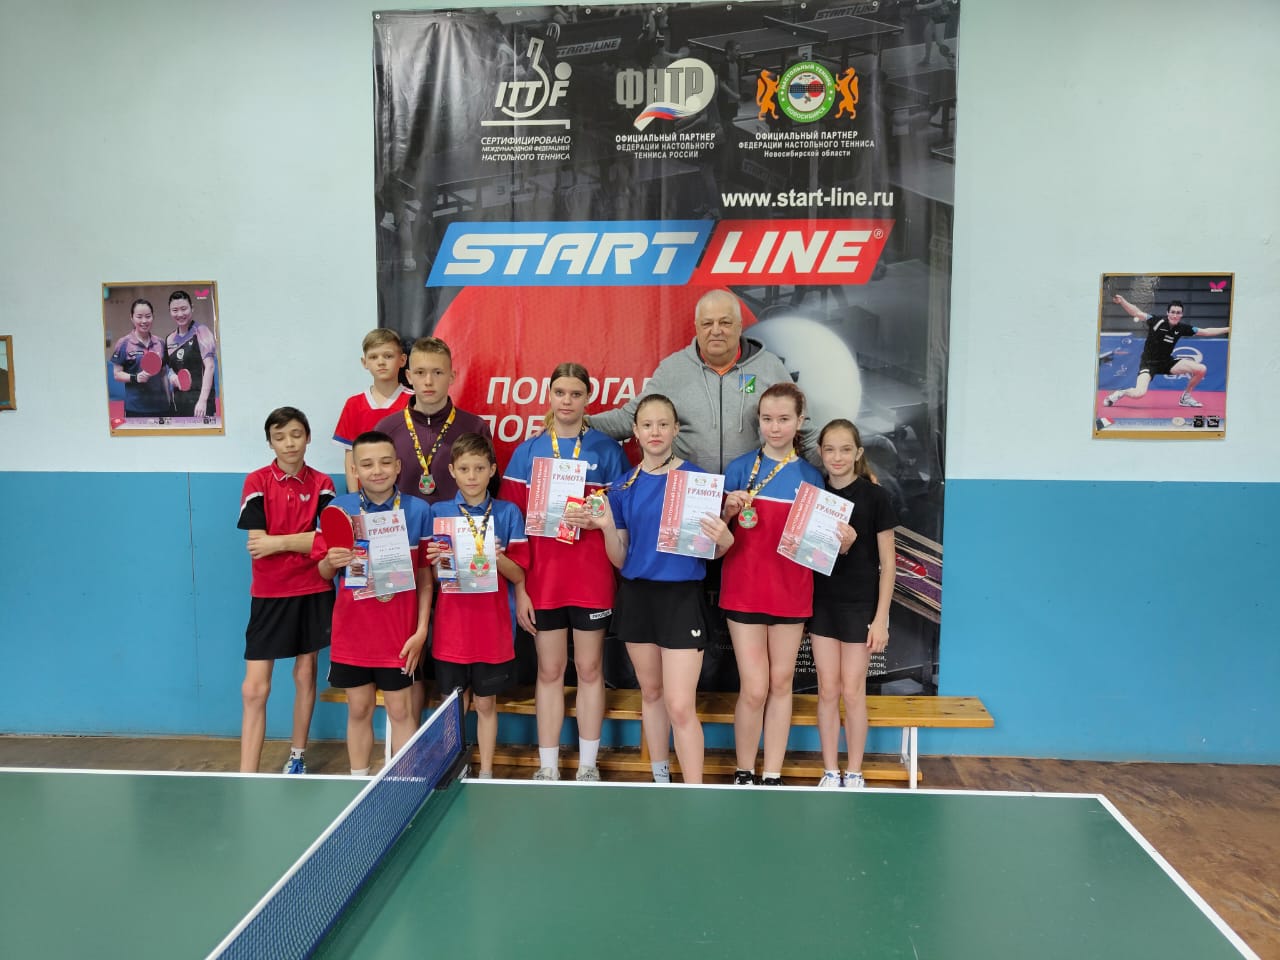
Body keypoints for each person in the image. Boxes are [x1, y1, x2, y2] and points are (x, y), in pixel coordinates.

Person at [575, 394, 733, 784]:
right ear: (635, 432)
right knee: (651, 693)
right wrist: (606, 527)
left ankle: (694, 792)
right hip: (637, 597)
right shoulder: (623, 485)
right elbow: (619, 558)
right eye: (647, 425)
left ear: (676, 429)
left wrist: (726, 540)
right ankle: (660, 778)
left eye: (663, 424)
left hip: (681, 600)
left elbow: (713, 551)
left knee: (680, 705)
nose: (655, 432)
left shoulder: (698, 482)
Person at [500, 363, 629, 781]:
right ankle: (548, 765)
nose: (567, 401)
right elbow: (512, 529)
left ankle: (588, 765)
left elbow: (621, 518)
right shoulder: (527, 452)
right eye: (560, 393)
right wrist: (521, 588)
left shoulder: (607, 452)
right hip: (544, 583)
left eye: (576, 394)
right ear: (550, 395)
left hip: (592, 581)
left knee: (590, 671)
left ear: (588, 398)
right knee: (549, 672)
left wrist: (598, 520)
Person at [720, 382, 824, 786]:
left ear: (800, 421)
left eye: (783, 419)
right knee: (754, 686)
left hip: (791, 593)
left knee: (781, 683)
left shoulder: (812, 477)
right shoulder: (738, 469)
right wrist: (728, 513)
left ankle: (772, 774)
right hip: (743, 591)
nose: (775, 427)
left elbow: (819, 548)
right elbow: (713, 540)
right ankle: (743, 771)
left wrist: (841, 540)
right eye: (767, 419)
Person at [590, 289, 815, 475]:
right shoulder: (673, 369)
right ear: (697, 327)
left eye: (725, 322)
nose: (716, 331)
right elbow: (630, 417)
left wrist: (831, 464)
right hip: (689, 492)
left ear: (739, 326)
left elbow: (802, 428)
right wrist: (579, 424)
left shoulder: (769, 367)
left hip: (750, 490)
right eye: (707, 323)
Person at [317, 430, 433, 776]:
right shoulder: (338, 509)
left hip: (398, 636)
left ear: (398, 466)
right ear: (354, 470)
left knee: (401, 711)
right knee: (359, 709)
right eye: (367, 464)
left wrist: (421, 631)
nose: (377, 470)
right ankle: (358, 781)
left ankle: (405, 785)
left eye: (385, 462)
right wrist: (331, 562)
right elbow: (323, 573)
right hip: (353, 635)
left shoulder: (418, 511)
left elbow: (426, 578)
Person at [236, 407, 336, 774]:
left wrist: (279, 543)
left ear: (307, 437)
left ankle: (297, 757)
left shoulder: (323, 483)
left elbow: (327, 541)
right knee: (254, 689)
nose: (289, 443)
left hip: (313, 589)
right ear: (270, 443)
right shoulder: (257, 482)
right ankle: (247, 774)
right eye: (279, 437)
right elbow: (256, 544)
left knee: (305, 673)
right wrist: (304, 541)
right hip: (269, 594)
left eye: (295, 434)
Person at [428, 433, 531, 778]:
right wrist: (436, 560)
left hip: (493, 627)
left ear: (492, 470)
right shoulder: (439, 513)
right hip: (452, 629)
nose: (471, 476)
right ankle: (451, 768)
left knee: (486, 703)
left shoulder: (508, 513)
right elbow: (434, 575)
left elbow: (519, 574)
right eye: (464, 469)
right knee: (453, 705)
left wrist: (496, 556)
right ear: (452, 471)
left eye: (479, 468)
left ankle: (485, 771)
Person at [809, 419, 897, 790]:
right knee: (827, 690)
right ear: (820, 453)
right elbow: (806, 552)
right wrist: (837, 547)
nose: (837, 457)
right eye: (830, 449)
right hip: (822, 605)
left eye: (846, 449)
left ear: (858, 453)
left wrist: (881, 619)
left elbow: (888, 564)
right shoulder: (813, 494)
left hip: (860, 606)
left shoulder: (876, 497)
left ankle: (855, 771)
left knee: (852, 691)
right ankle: (831, 770)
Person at [377, 336, 491, 504]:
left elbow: (490, 489)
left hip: (460, 521)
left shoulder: (475, 427)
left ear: (451, 376)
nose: (428, 382)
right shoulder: (386, 429)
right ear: (409, 376)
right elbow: (375, 489)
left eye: (437, 372)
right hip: (404, 520)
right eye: (420, 373)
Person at [1104, 295, 1230, 409]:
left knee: (1201, 369)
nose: (1175, 315)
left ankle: (1186, 397)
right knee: (1139, 394)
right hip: (1148, 364)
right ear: (1167, 313)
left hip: (1167, 362)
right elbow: (1136, 312)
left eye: (1178, 313)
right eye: (1172, 312)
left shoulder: (1182, 328)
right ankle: (1120, 393)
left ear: (1181, 315)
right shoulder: (1156, 321)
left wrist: (1229, 328)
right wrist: (1122, 301)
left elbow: (1206, 332)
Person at [333, 329, 412, 492]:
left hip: (407, 493)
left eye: (388, 356)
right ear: (364, 362)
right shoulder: (354, 404)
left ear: (402, 360)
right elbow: (350, 456)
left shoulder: (415, 401)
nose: (381, 362)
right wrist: (354, 497)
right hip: (366, 495)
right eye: (374, 357)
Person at [109, 298, 169, 419]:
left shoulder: (160, 343)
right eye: (139, 317)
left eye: (148, 316)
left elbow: (163, 375)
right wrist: (135, 377)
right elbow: (117, 374)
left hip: (161, 407)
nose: (144, 321)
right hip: (135, 407)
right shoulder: (124, 343)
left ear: (153, 317)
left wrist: (169, 400)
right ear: (132, 318)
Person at [164, 290, 218, 419]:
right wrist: (172, 377)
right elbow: (169, 369)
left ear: (192, 308)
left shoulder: (202, 332)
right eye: (175, 310)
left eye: (184, 309)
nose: (180, 314)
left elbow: (210, 366)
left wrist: (203, 401)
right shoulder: (170, 339)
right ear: (170, 311)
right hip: (178, 404)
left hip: (200, 405)